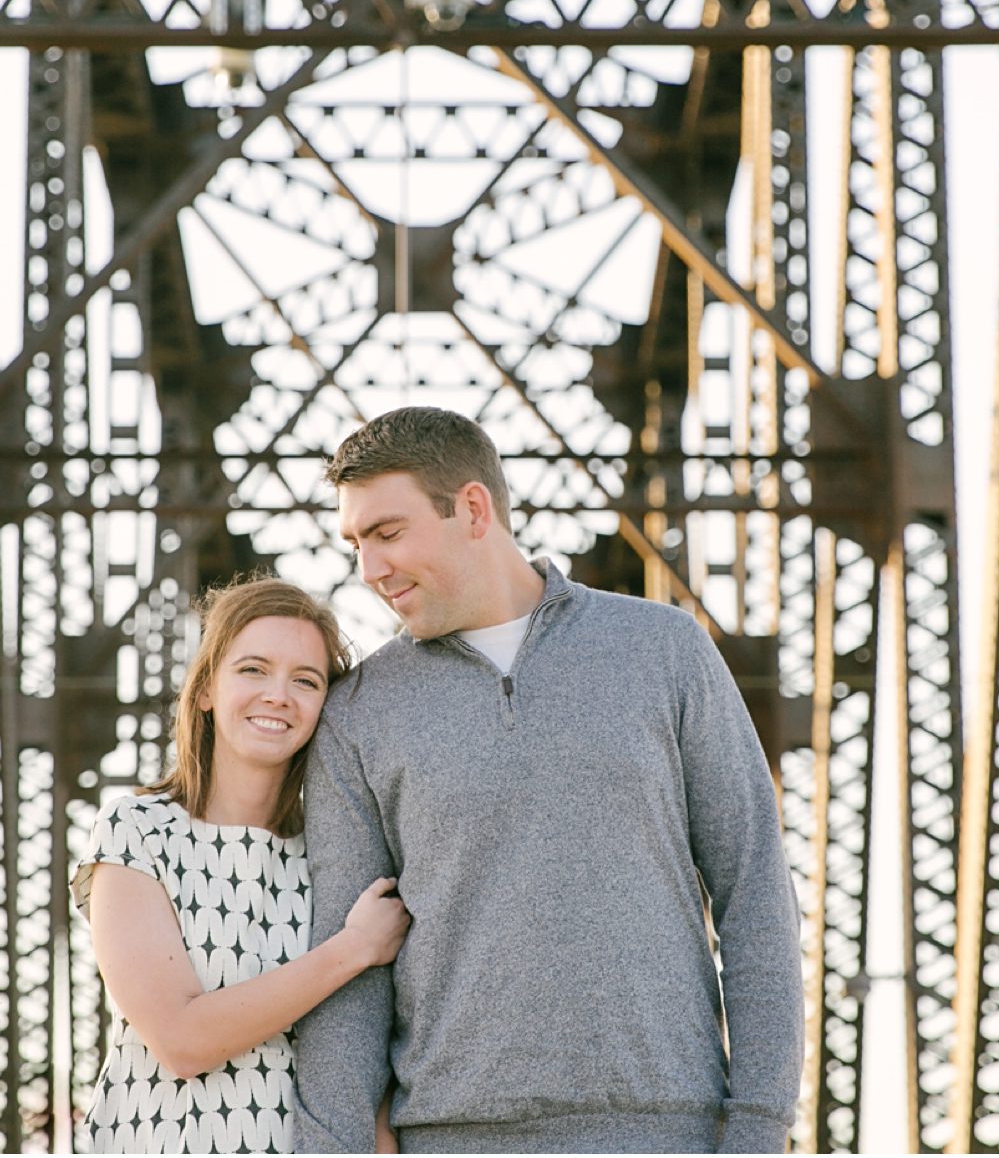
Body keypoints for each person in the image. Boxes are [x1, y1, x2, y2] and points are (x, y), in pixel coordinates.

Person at [295, 406, 805, 1154]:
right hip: (453, 1139)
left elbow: (755, 891)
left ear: (473, 508)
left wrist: (758, 1130)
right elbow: (347, 975)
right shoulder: (361, 712)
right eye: (355, 542)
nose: (369, 570)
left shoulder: (663, 651)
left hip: (669, 1133)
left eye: (387, 533)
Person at [71, 577, 412, 1155]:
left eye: (306, 681)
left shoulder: (340, 853)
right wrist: (352, 950)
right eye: (253, 670)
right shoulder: (137, 832)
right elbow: (180, 1040)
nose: (278, 694)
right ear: (205, 689)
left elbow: (375, 1059)